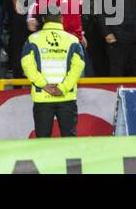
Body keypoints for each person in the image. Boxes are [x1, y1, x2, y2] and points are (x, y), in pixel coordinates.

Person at [20, 10, 86, 138]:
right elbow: (79, 65)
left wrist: (43, 85)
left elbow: (26, 64)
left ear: (44, 20)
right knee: (69, 140)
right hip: (66, 96)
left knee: (43, 139)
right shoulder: (73, 40)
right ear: (61, 18)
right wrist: (63, 87)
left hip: (42, 96)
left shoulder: (33, 39)